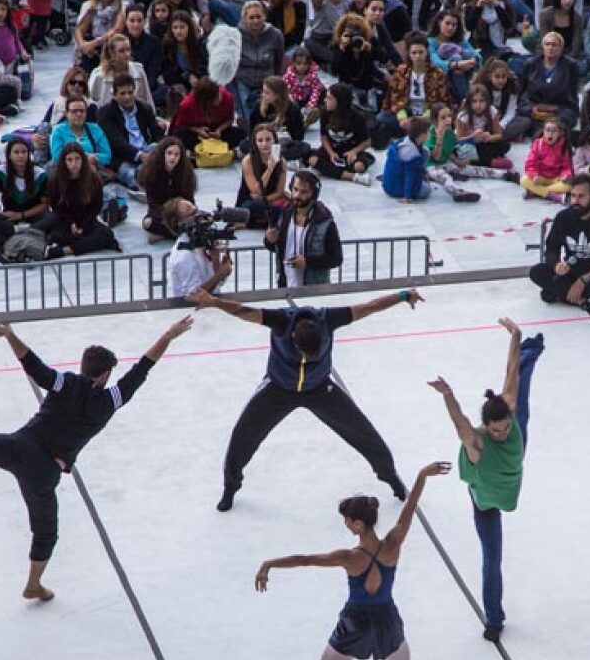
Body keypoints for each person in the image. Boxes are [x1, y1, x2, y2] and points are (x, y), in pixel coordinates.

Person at [0, 318, 194, 602]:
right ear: (105, 375)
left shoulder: (66, 383)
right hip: (45, 470)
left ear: (83, 367)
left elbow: (34, 366)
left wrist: (10, 335)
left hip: (19, 446)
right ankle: (33, 585)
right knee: (45, 531)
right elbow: (142, 368)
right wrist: (168, 335)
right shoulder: (110, 400)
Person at [256, 460, 452, 660]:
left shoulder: (350, 558)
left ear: (358, 523)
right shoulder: (394, 543)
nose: (346, 526)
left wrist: (269, 563)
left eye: (347, 521)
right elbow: (410, 508)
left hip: (355, 624)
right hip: (387, 620)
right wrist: (420, 476)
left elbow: (306, 560)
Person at [186, 287, 422, 511]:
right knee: (242, 437)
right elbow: (244, 312)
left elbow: (370, 306)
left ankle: (392, 480)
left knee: (365, 434)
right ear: (293, 337)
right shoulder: (280, 321)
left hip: (320, 389)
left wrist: (402, 295)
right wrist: (214, 302)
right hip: (278, 389)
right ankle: (230, 488)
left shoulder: (329, 319)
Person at [428, 317, 546, 641]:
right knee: (492, 558)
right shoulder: (478, 441)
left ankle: (530, 348)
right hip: (486, 501)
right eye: (496, 430)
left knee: (519, 389)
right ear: (486, 428)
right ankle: (494, 619)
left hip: (515, 457)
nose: (501, 432)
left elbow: (509, 374)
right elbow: (460, 422)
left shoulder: (509, 417)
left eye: (503, 427)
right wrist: (448, 394)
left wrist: (516, 336)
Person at [528, 174, 590, 308]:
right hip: (570, 272)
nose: (575, 201)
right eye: (573, 196)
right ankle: (586, 301)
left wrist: (583, 281)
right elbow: (551, 249)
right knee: (536, 272)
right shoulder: (563, 218)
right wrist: (557, 266)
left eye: (581, 196)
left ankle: (561, 294)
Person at [38, 141, 120, 259]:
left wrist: (82, 224)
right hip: (65, 220)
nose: (74, 164)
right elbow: (56, 206)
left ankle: (65, 250)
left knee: (106, 234)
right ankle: (82, 244)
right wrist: (71, 223)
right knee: (56, 236)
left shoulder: (93, 178)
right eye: (69, 160)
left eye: (77, 159)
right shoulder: (55, 179)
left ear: (83, 160)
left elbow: (96, 205)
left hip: (87, 220)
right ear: (64, 161)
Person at [264, 168, 344, 287]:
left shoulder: (325, 221)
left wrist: (308, 262)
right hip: (285, 284)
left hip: (314, 289)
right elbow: (275, 247)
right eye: (295, 189)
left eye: (304, 192)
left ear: (314, 194)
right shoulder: (284, 214)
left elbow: (336, 258)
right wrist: (269, 240)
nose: (297, 195)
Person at [97, 76, 163, 189]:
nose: (127, 97)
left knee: (161, 148)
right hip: (122, 157)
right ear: (114, 95)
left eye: (130, 92)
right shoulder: (105, 113)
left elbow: (156, 133)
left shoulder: (145, 108)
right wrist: (140, 155)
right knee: (130, 174)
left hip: (146, 150)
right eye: (122, 93)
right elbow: (115, 141)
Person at [160, 197, 235, 297]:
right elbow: (193, 296)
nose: (200, 215)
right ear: (181, 223)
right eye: (193, 213)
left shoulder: (201, 244)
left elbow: (216, 285)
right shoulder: (184, 254)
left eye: (197, 209)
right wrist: (219, 275)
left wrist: (217, 262)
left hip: (212, 306)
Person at [515, 31, 581, 137]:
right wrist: (532, 109)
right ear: (543, 47)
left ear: (561, 48)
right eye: (547, 44)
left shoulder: (571, 67)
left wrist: (556, 109)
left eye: (554, 45)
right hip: (535, 108)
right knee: (524, 120)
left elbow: (572, 97)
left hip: (559, 109)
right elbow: (523, 93)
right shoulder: (531, 64)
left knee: (563, 120)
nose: (550, 48)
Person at [138, 136, 197, 239]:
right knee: (147, 223)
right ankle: (174, 233)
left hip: (182, 213)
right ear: (162, 154)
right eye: (169, 153)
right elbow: (153, 205)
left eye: (176, 154)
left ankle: (169, 234)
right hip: (161, 214)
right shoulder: (152, 173)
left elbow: (190, 200)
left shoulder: (185, 173)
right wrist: (167, 218)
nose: (173, 158)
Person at [0, 135, 49, 223]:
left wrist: (21, 215)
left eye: (24, 152)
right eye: (16, 152)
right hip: (11, 215)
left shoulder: (40, 174)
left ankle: (32, 231)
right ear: (9, 155)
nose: (21, 156)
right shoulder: (0, 172)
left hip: (34, 215)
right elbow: (3, 197)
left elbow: (45, 204)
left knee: (51, 217)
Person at [521, 117, 572, 202]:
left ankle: (536, 192)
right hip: (540, 177)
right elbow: (530, 164)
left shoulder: (564, 146)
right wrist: (534, 175)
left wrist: (565, 176)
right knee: (523, 180)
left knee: (569, 185)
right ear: (543, 132)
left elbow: (567, 167)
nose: (550, 134)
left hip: (556, 179)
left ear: (559, 133)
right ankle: (553, 196)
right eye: (548, 130)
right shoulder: (538, 144)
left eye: (554, 131)